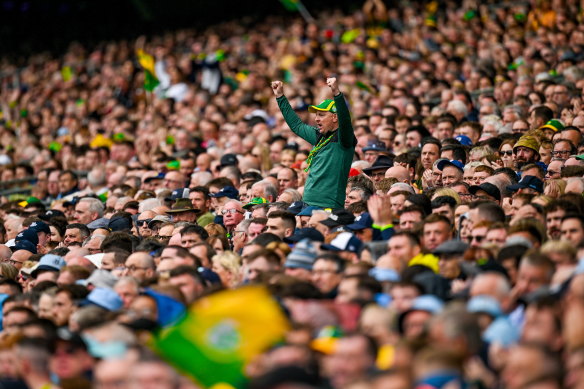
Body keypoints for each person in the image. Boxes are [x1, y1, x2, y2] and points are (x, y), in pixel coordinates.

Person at [272, 77, 355, 208]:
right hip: (307, 203)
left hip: (328, 205)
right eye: (316, 115)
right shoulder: (319, 136)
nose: (316, 119)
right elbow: (297, 125)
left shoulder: (344, 138)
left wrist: (337, 93)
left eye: (321, 115)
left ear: (334, 117)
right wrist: (280, 97)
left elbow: (345, 120)